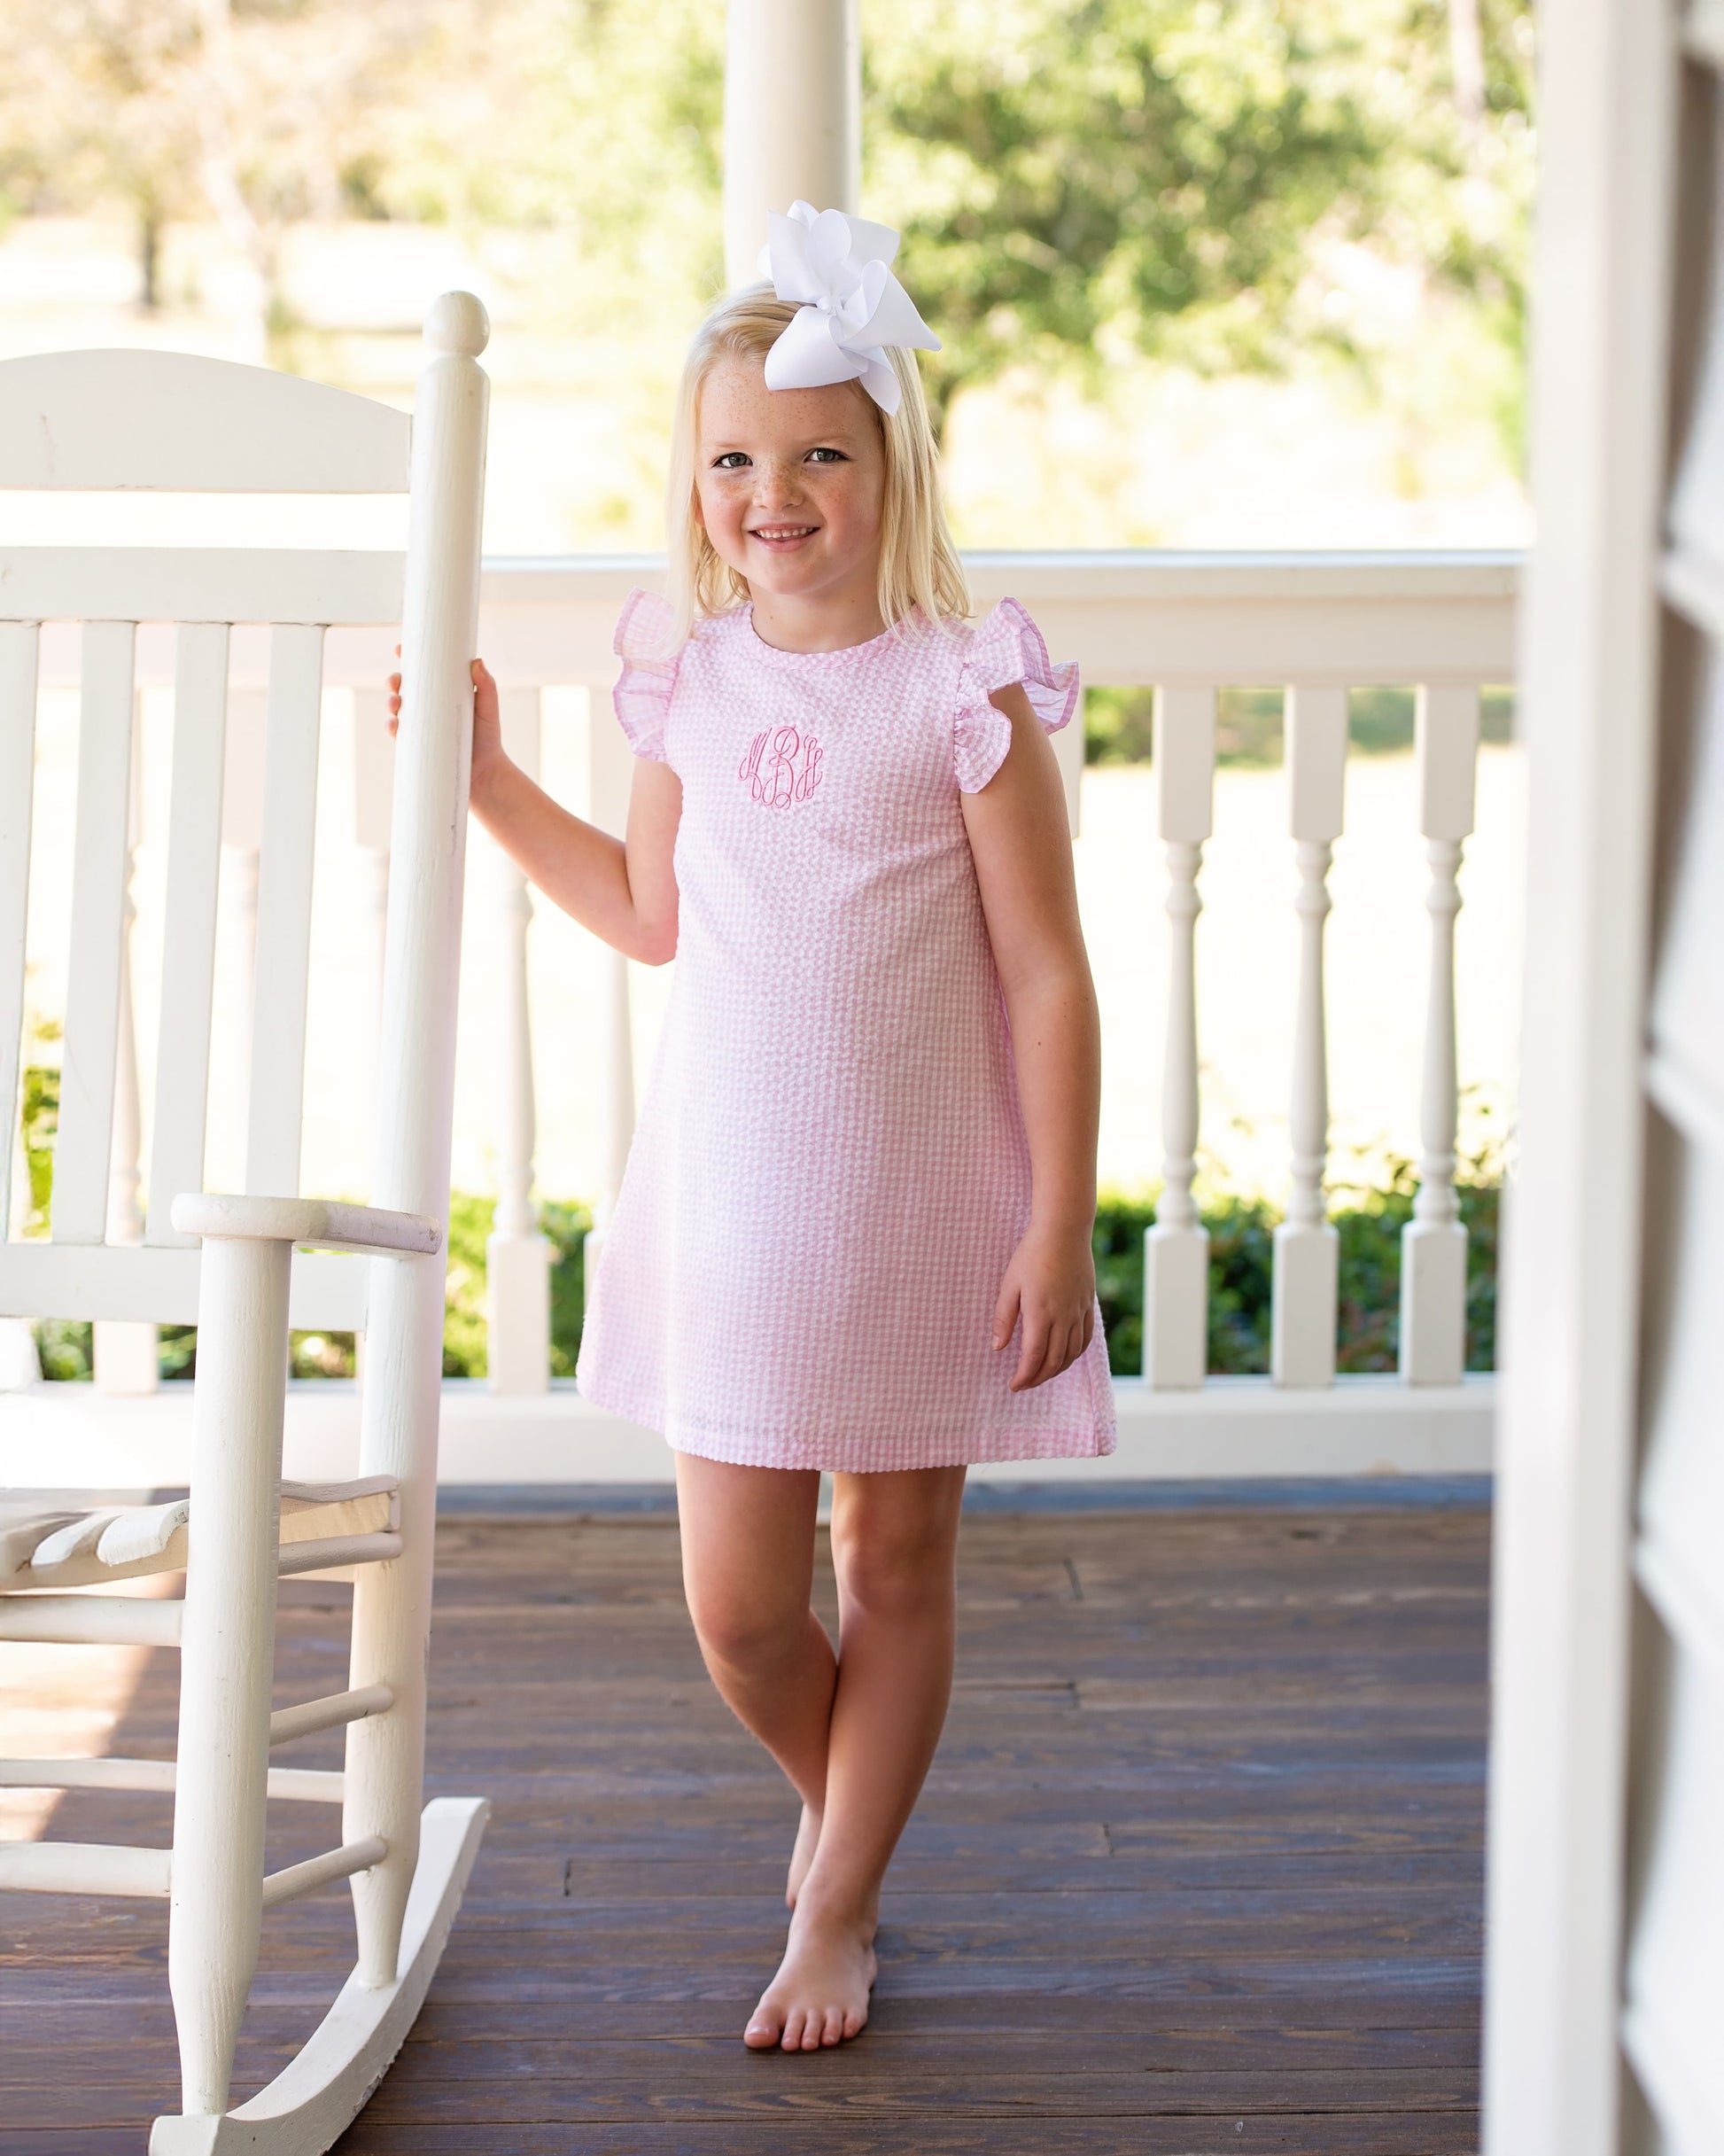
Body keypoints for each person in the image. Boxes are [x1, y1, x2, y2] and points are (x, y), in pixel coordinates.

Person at [389, 202, 1114, 2053]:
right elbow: (648, 906)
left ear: (891, 463)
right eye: (732, 456)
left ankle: (844, 1891)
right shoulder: (690, 677)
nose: (769, 490)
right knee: (739, 1610)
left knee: (893, 1566)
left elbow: (1045, 974)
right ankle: (845, 1787)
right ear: (693, 479)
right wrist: (485, 785)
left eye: (814, 453)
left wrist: (1055, 1223)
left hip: (925, 1212)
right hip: (733, 1212)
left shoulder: (966, 691)